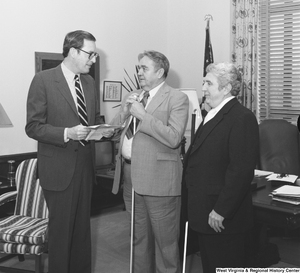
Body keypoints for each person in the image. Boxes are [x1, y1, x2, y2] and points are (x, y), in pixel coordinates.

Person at [26, 30, 111, 273]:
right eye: (90, 54)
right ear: (73, 51)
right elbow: (33, 127)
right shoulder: (43, 80)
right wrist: (67, 133)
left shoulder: (89, 82)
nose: (93, 60)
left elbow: (92, 120)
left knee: (82, 235)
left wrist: (106, 130)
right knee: (61, 238)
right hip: (58, 171)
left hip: (84, 170)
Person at [110, 50, 189, 273]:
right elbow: (115, 133)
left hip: (159, 181)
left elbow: (173, 137)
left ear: (160, 71)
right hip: (130, 178)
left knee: (165, 245)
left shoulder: (177, 98)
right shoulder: (134, 96)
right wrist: (125, 112)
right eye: (139, 68)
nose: (139, 72)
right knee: (138, 240)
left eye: (144, 68)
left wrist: (143, 115)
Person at [182, 62, 259, 272]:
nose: (203, 88)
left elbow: (241, 171)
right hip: (205, 211)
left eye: (208, 83)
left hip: (221, 217)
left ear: (225, 88)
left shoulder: (242, 118)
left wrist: (221, 210)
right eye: (203, 82)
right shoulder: (212, 113)